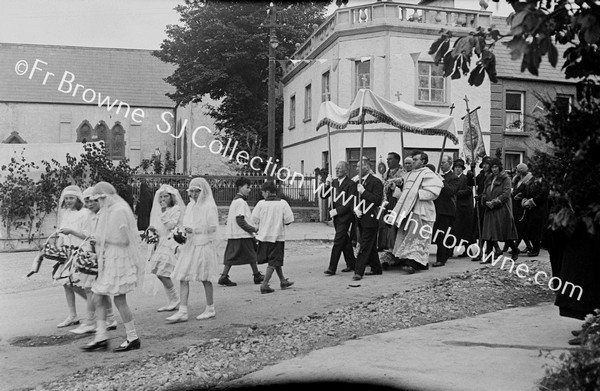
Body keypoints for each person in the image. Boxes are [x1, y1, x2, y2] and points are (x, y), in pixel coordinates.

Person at [82, 182, 144, 352]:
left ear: (106, 197)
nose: (99, 202)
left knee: (118, 299)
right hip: (111, 258)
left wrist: (104, 240)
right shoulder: (108, 212)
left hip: (119, 259)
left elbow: (125, 240)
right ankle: (101, 336)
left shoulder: (119, 211)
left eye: (101, 198)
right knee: (98, 296)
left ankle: (132, 337)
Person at [65, 187, 118, 335]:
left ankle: (91, 321)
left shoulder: (100, 216)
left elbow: (96, 236)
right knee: (93, 288)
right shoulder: (90, 215)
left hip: (96, 254)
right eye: (87, 200)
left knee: (92, 288)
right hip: (90, 252)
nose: (89, 203)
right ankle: (109, 318)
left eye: (92, 200)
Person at [167, 177, 219, 323]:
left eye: (197, 192)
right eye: (192, 192)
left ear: (203, 192)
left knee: (205, 277)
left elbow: (213, 227)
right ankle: (182, 310)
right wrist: (182, 233)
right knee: (183, 276)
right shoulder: (190, 206)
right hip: (190, 244)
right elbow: (186, 222)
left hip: (203, 244)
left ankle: (210, 308)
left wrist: (195, 230)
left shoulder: (209, 206)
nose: (194, 195)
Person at [391, 151, 443, 273]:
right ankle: (415, 262)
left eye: (416, 160)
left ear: (423, 161)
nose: (413, 162)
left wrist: (416, 193)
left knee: (418, 236)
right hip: (408, 210)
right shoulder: (408, 175)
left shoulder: (428, 173)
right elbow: (405, 193)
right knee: (407, 234)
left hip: (422, 209)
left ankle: (414, 263)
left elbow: (435, 190)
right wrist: (398, 188)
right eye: (412, 159)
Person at [219, 177, 265, 286]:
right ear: (240, 188)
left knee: (234, 256)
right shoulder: (240, 202)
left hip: (235, 233)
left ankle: (224, 276)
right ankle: (256, 275)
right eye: (247, 187)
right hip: (241, 234)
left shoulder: (235, 201)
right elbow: (240, 220)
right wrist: (253, 229)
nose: (249, 190)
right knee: (251, 255)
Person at [54, 185, 88, 328]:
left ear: (78, 199)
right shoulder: (65, 213)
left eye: (71, 198)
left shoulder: (84, 213)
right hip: (67, 252)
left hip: (81, 251)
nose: (68, 201)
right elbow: (62, 233)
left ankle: (100, 307)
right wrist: (58, 245)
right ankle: (72, 315)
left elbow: (87, 235)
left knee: (79, 284)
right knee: (66, 283)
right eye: (66, 198)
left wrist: (71, 232)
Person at [251, 181, 295, 293]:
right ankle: (264, 284)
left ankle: (283, 280)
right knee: (274, 261)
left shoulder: (261, 204)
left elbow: (254, 219)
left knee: (274, 260)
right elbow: (289, 220)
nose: (262, 195)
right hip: (277, 237)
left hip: (263, 237)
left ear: (268, 192)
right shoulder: (283, 204)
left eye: (263, 192)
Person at [148, 184, 184, 311]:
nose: (163, 199)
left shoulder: (176, 209)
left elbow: (170, 226)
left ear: (171, 197)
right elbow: (161, 227)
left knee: (163, 272)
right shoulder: (162, 210)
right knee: (159, 272)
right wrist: (154, 230)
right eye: (161, 197)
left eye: (166, 196)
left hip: (171, 243)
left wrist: (163, 212)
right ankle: (172, 300)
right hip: (162, 242)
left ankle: (175, 299)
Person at [479, 159, 520, 263]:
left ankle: (515, 250)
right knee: (489, 233)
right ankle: (489, 256)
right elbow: (484, 192)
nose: (494, 169)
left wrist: (494, 202)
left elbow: (506, 194)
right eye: (492, 167)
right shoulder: (489, 178)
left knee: (505, 233)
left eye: (496, 167)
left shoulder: (506, 178)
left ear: (500, 167)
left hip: (502, 209)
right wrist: (485, 201)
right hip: (489, 208)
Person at [320, 161, 358, 275]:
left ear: (346, 170)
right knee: (345, 241)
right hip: (336, 217)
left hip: (346, 216)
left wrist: (336, 211)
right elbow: (323, 195)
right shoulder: (334, 182)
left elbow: (350, 203)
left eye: (339, 168)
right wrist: (327, 184)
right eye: (336, 168)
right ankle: (352, 264)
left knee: (338, 241)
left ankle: (332, 268)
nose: (337, 170)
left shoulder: (351, 184)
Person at [352, 157, 384, 281]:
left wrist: (364, 192)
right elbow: (353, 199)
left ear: (367, 167)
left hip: (371, 218)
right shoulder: (357, 182)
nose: (357, 169)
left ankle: (358, 271)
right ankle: (377, 268)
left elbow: (377, 200)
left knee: (364, 245)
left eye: (359, 166)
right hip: (360, 216)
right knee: (369, 245)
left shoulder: (375, 181)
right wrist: (356, 209)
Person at [470, 156, 500, 261]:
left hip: (488, 203)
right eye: (484, 164)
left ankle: (488, 251)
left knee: (486, 229)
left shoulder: (493, 176)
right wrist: (471, 170)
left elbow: (490, 190)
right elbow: (471, 183)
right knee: (480, 228)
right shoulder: (481, 175)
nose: (485, 166)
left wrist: (483, 197)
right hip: (480, 204)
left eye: (487, 164)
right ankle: (484, 251)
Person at [378, 153, 406, 269]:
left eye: (390, 159)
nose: (388, 161)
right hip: (385, 203)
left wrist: (395, 187)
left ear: (397, 160)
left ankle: (396, 254)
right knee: (384, 227)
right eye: (387, 159)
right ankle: (386, 252)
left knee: (394, 228)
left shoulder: (402, 173)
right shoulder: (386, 173)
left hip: (396, 203)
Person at [432, 155, 459, 267]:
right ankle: (446, 254)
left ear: (450, 164)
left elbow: (450, 191)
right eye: (441, 163)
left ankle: (441, 259)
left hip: (446, 210)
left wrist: (441, 180)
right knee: (438, 234)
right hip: (437, 209)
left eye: (443, 162)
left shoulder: (454, 178)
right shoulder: (438, 176)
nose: (441, 164)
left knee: (441, 235)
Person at [520, 173, 550, 257]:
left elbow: (543, 194)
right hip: (531, 209)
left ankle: (536, 248)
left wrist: (531, 201)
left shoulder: (543, 181)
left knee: (536, 230)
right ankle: (533, 247)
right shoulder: (532, 180)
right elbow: (526, 191)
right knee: (529, 229)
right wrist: (524, 199)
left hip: (540, 209)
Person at [451, 158, 475, 257]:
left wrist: (455, 193)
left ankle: (468, 250)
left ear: (462, 169)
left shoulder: (466, 178)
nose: (457, 169)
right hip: (455, 208)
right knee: (455, 229)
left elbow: (469, 190)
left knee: (466, 230)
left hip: (465, 208)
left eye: (459, 167)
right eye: (456, 167)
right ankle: (452, 248)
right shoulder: (452, 178)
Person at [510, 163, 534, 253]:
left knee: (520, 226)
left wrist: (520, 195)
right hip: (516, 204)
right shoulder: (517, 179)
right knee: (519, 226)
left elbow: (527, 192)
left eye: (517, 170)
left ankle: (515, 247)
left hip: (523, 205)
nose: (516, 172)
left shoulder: (528, 180)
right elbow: (515, 189)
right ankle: (529, 246)